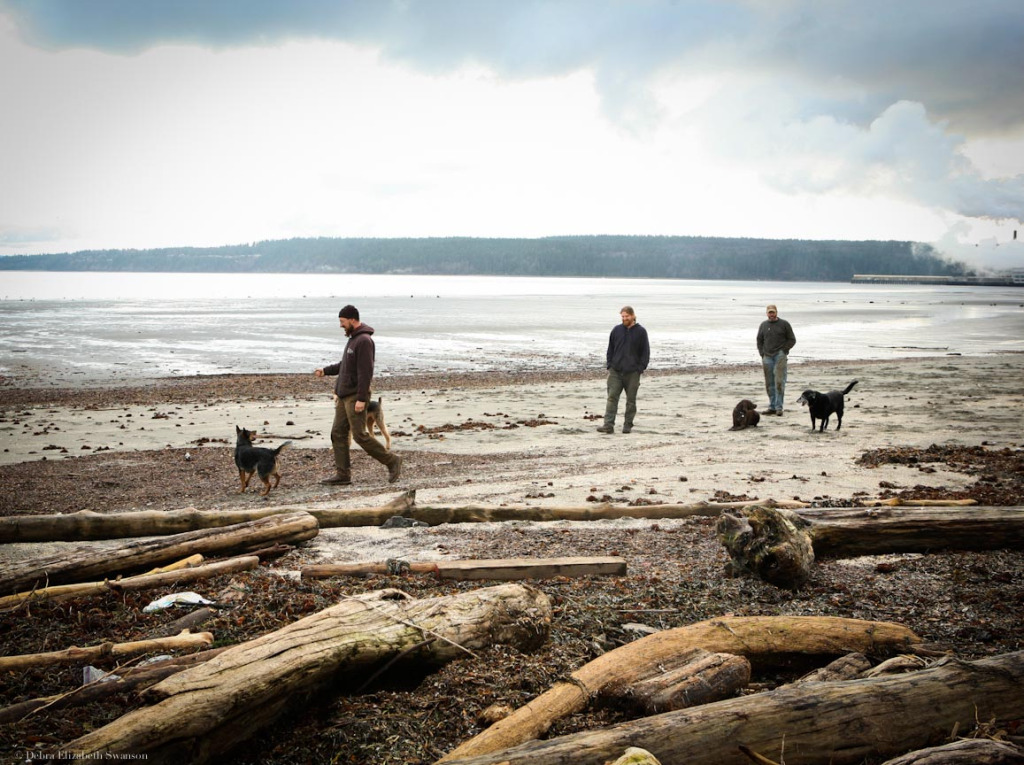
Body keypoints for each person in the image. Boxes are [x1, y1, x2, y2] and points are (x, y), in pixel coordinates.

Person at [315, 305, 402, 485]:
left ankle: (392, 460)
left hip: (355, 396)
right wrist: (325, 370)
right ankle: (343, 475)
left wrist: (362, 399)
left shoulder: (364, 341)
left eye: (342, 321)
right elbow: (345, 365)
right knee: (337, 433)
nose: (341, 325)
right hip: (343, 395)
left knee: (360, 435)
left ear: (352, 319)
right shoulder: (353, 339)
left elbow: (365, 372)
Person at [597, 306, 650, 434]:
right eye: (623, 316)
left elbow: (645, 352)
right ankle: (608, 425)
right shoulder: (616, 330)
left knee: (631, 401)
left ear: (633, 316)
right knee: (612, 398)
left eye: (627, 316)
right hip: (615, 371)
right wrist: (609, 365)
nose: (624, 319)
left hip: (632, 372)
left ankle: (627, 425)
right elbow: (610, 349)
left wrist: (640, 368)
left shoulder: (641, 331)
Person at [756, 303, 796, 415]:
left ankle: (779, 407)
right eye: (769, 312)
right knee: (769, 383)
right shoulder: (763, 325)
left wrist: (784, 351)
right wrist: (762, 353)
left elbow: (792, 339)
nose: (771, 314)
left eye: (773, 312)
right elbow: (759, 340)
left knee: (779, 381)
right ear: (767, 313)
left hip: (779, 356)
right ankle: (772, 406)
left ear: (776, 312)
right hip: (767, 357)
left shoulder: (784, 324)